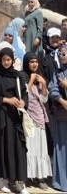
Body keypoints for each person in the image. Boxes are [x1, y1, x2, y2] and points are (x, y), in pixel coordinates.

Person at [0, 47, 29, 194]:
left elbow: (24, 94)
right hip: (1, 117)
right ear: (0, 60)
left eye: (8, 60)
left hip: (15, 118)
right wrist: (7, 100)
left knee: (18, 148)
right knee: (3, 146)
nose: (6, 62)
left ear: (12, 60)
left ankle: (19, 182)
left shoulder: (18, 76)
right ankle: (3, 179)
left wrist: (23, 102)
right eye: (3, 59)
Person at [22, 52, 52, 189]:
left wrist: (43, 83)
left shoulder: (40, 77)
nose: (34, 64)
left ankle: (40, 177)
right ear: (27, 63)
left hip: (40, 117)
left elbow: (45, 99)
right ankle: (28, 176)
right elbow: (23, 95)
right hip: (28, 118)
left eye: (36, 62)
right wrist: (31, 80)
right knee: (30, 147)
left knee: (40, 148)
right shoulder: (23, 76)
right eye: (31, 62)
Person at [49, 44, 67, 192]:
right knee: (61, 148)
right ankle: (62, 182)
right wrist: (63, 102)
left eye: (65, 54)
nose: (62, 57)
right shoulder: (58, 73)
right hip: (63, 115)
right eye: (60, 54)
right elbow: (53, 90)